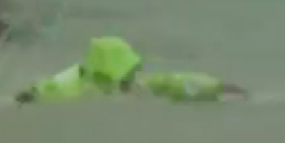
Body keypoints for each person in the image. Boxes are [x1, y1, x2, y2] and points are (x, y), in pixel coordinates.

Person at [15, 36, 248, 104]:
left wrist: (218, 86)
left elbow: (176, 81)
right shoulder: (76, 82)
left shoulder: (143, 85)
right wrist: (31, 94)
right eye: (128, 69)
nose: (134, 74)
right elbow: (45, 88)